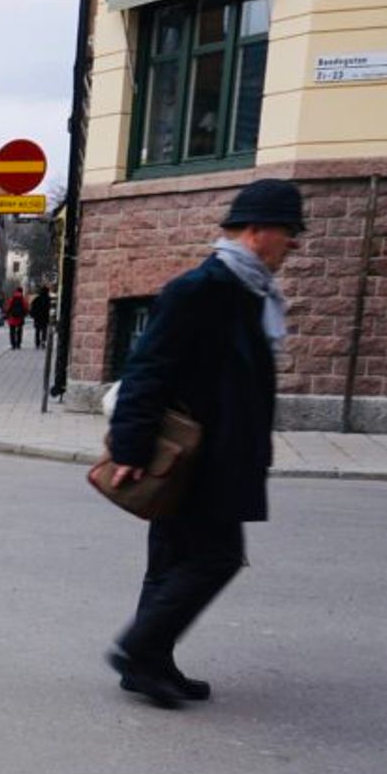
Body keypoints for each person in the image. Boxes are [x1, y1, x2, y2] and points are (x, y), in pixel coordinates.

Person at [103, 178, 298, 708]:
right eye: (288, 233)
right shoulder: (203, 289)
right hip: (199, 460)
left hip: (209, 456)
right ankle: (138, 649)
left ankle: (149, 664)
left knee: (170, 561)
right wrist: (129, 448)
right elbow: (147, 369)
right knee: (217, 556)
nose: (293, 245)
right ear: (258, 232)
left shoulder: (248, 292)